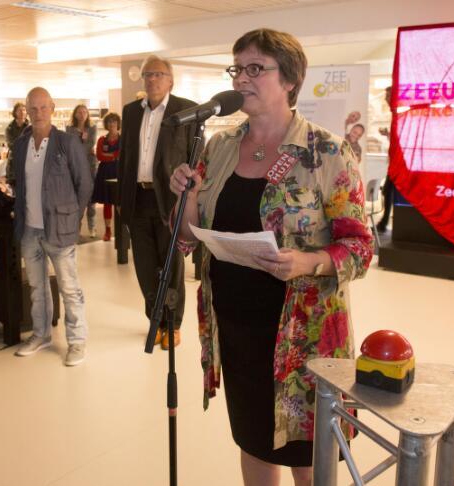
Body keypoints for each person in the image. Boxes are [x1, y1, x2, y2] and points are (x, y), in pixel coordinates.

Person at [169, 29, 373, 485]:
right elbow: (186, 239)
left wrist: (308, 262)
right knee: (254, 440)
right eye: (237, 68)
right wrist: (187, 199)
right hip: (236, 327)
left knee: (307, 453)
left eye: (255, 68)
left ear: (290, 80)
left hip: (303, 336)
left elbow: (360, 248)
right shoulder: (219, 148)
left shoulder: (327, 152)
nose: (241, 79)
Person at [117, 55, 197, 350]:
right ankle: (156, 320)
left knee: (171, 265)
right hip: (138, 198)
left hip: (170, 199)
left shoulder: (186, 110)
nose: (152, 79)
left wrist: (190, 197)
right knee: (145, 266)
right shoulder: (131, 112)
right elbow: (125, 157)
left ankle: (173, 324)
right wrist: (121, 200)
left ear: (170, 80)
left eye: (158, 74)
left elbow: (194, 157)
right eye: (148, 74)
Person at [11, 87, 93, 366]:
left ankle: (77, 341)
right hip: (30, 229)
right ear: (26, 110)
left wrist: (74, 217)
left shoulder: (66, 142)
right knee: (37, 287)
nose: (38, 113)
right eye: (33, 108)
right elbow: (19, 183)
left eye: (43, 107)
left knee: (69, 288)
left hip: (59, 228)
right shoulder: (21, 145)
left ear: (53, 108)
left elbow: (84, 183)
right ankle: (41, 334)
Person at [66, 104, 97, 237]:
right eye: (79, 111)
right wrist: (80, 150)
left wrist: (78, 150)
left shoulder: (92, 128)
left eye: (84, 111)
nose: (82, 114)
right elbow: (69, 146)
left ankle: (92, 227)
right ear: (75, 114)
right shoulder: (69, 129)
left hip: (90, 167)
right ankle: (76, 227)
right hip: (74, 167)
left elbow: (90, 144)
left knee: (91, 198)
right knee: (76, 198)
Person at [91, 112, 121, 242]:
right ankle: (108, 230)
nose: (112, 124)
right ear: (106, 124)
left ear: (118, 124)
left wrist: (108, 155)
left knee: (120, 202)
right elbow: (99, 156)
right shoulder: (101, 139)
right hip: (105, 173)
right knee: (107, 202)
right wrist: (114, 156)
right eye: (109, 121)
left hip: (119, 172)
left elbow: (121, 154)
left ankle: (122, 230)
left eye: (114, 121)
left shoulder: (123, 139)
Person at [377, 86, 395, 233]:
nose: (386, 99)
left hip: (399, 166)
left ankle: (384, 222)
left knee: (388, 191)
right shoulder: (395, 115)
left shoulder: (399, 115)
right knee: (387, 191)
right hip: (394, 164)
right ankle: (384, 221)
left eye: (388, 96)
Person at [5, 102, 28, 190]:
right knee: (14, 193)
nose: (22, 112)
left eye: (24, 110)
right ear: (15, 113)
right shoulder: (9, 128)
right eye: (19, 110)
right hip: (13, 167)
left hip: (27, 165)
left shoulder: (31, 127)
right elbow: (12, 146)